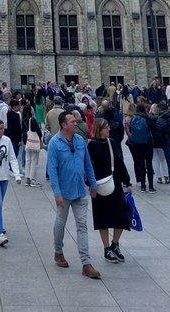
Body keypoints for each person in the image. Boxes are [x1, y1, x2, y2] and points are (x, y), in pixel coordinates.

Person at [46, 110, 101, 278]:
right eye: (72, 121)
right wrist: (57, 193)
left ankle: (86, 263)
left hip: (80, 190)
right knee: (60, 224)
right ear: (64, 125)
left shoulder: (79, 140)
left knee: (82, 225)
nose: (76, 123)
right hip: (64, 192)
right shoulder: (55, 143)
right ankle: (58, 251)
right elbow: (52, 170)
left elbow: (87, 163)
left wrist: (93, 183)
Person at [87, 116, 132, 264]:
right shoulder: (92, 145)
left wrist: (127, 182)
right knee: (103, 218)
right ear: (99, 129)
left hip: (115, 184)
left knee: (121, 215)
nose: (109, 129)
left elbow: (120, 163)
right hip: (99, 185)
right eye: (106, 127)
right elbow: (88, 167)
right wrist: (90, 184)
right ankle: (106, 248)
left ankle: (115, 244)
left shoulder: (112, 143)